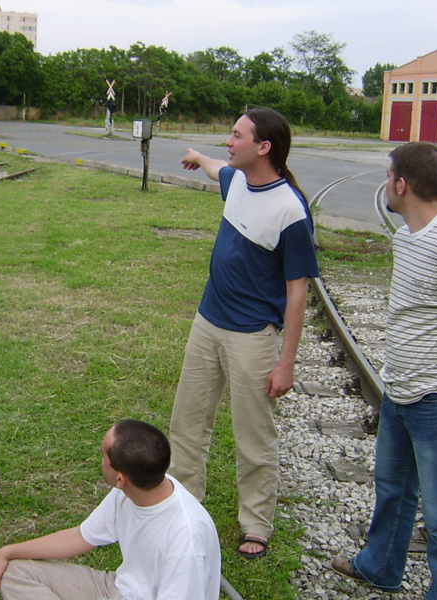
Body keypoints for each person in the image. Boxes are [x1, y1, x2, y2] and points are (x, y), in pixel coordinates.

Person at [331, 142, 437, 598]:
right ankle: (381, 566)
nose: (386, 184)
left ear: (402, 185)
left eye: (388, 176)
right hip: (400, 392)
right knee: (392, 488)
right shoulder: (406, 237)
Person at [169, 107, 319, 558]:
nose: (228, 142)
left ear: (263, 147)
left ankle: (255, 524)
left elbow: (297, 293)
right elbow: (217, 167)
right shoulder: (237, 180)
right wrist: (199, 158)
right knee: (187, 424)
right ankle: (181, 509)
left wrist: (285, 363)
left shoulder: (290, 210)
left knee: (253, 436)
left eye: (237, 135)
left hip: (253, 338)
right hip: (207, 323)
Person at [0, 419, 221, 600]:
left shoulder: (185, 539)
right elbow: (80, 536)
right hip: (117, 588)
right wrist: (8, 551)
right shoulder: (133, 489)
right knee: (13, 571)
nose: (99, 459)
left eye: (103, 456)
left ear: (120, 479)